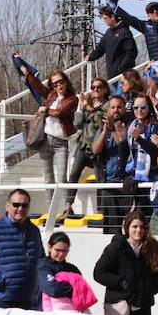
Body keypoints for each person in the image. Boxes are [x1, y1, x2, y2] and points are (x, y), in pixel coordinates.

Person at [0, 188, 45, 309]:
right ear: (7, 206)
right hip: (1, 298)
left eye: (24, 205)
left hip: (27, 298)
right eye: (16, 205)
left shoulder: (34, 231)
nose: (20, 209)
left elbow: (40, 258)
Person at [22, 67, 78, 207]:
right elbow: (37, 86)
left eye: (61, 82)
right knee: (48, 179)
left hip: (61, 143)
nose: (59, 86)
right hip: (45, 140)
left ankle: (67, 209)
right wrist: (25, 71)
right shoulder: (51, 95)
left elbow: (60, 112)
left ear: (66, 82)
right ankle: (51, 209)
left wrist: (45, 109)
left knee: (61, 178)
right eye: (55, 84)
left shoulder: (72, 99)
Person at [94, 209, 158, 315]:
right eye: (135, 227)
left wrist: (147, 291)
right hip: (120, 308)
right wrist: (122, 282)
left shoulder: (150, 249)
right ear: (127, 227)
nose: (138, 230)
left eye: (142, 227)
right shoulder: (116, 248)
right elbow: (99, 273)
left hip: (143, 308)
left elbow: (157, 278)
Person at [65, 78, 110, 215]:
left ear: (105, 89)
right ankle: (68, 206)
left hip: (99, 145)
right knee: (74, 174)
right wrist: (82, 107)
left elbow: (101, 125)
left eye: (99, 87)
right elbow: (78, 124)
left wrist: (92, 109)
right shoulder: (88, 104)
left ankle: (100, 209)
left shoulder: (108, 105)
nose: (96, 89)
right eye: (93, 87)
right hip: (84, 144)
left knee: (99, 177)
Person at [93, 96, 132, 235]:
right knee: (111, 228)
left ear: (124, 109)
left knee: (128, 227)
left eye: (119, 107)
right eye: (113, 107)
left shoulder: (129, 126)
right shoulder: (103, 128)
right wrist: (105, 130)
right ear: (108, 110)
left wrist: (114, 129)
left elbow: (124, 149)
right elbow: (95, 150)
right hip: (108, 184)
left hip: (125, 184)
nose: (116, 110)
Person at [119, 94, 158, 214]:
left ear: (149, 108)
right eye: (136, 107)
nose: (139, 110)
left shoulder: (155, 126)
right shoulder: (131, 125)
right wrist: (122, 139)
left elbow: (155, 152)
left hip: (152, 174)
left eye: (143, 107)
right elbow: (126, 152)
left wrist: (139, 138)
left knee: (152, 211)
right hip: (136, 174)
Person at [38, 232, 93, 313]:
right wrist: (74, 288)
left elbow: (82, 291)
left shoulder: (72, 269)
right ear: (49, 247)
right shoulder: (42, 267)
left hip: (72, 312)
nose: (61, 254)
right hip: (45, 312)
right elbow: (53, 289)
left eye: (65, 251)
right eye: (58, 250)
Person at [86, 6, 138, 83]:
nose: (104, 21)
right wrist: (91, 57)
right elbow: (101, 47)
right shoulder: (109, 32)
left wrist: (121, 68)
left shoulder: (125, 32)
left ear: (112, 17)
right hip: (112, 75)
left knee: (122, 95)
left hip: (124, 76)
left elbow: (131, 52)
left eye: (105, 18)